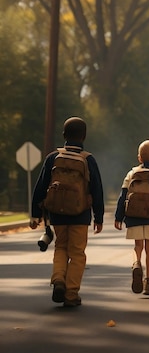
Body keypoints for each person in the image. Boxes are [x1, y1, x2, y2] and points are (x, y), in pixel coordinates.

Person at [30, 117, 105, 307]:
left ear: (64, 135)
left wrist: (35, 213)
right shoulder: (88, 160)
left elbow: (41, 186)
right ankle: (71, 294)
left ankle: (58, 280)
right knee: (77, 253)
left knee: (61, 247)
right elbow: (97, 189)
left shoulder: (53, 158)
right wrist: (99, 216)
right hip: (80, 215)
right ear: (84, 136)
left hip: (57, 214)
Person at [114, 139, 149, 295]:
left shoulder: (132, 174)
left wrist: (118, 217)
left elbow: (123, 197)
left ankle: (136, 263)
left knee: (137, 246)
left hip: (134, 217)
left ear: (139, 157)